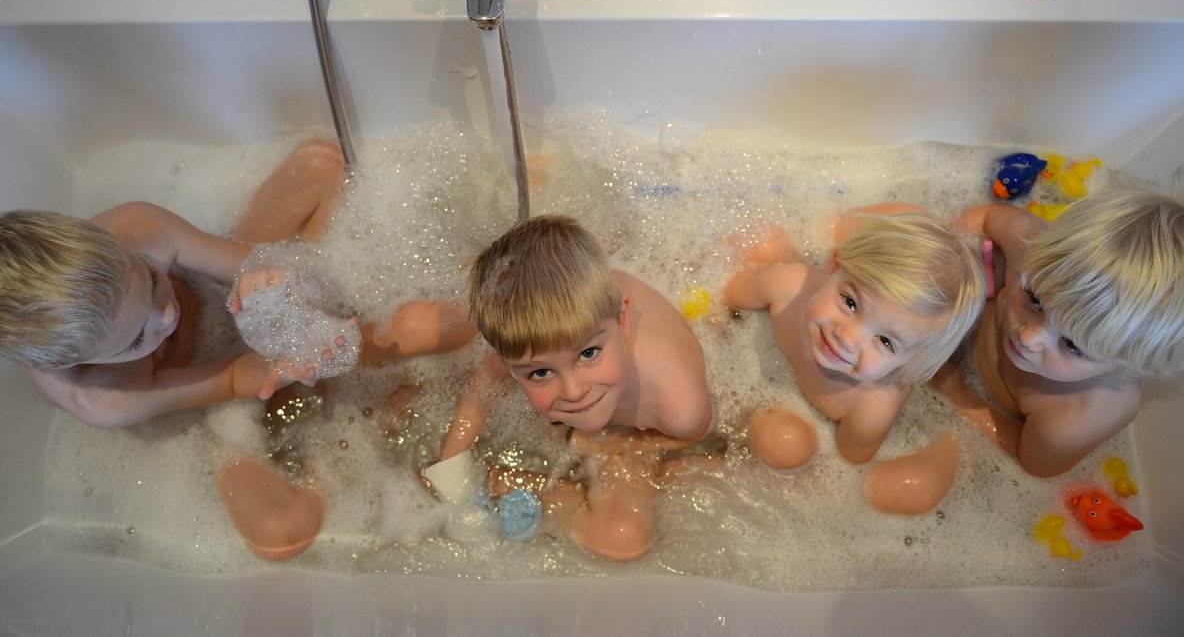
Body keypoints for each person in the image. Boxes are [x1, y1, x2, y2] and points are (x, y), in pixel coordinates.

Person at [0, 138, 476, 429]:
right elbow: (233, 378)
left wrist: (273, 278)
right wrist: (296, 360)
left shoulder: (134, 229)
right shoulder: (106, 400)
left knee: (321, 160)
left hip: (233, 304)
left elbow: (244, 264)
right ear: (63, 363)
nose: (164, 318)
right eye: (136, 340)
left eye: (151, 280)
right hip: (229, 378)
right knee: (438, 326)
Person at [427, 214, 713, 561]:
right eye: (540, 373)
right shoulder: (536, 339)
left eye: (589, 354)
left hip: (635, 433)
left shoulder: (678, 404)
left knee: (622, 538)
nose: (574, 391)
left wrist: (622, 445)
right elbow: (488, 377)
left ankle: (530, 489)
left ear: (623, 321)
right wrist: (450, 459)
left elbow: (693, 435)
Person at [932, 189, 1184, 478]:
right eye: (1035, 299)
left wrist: (959, 393)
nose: (1028, 338)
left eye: (1072, 344)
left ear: (1125, 363)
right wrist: (945, 259)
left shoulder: (1075, 419)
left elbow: (1033, 463)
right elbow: (988, 215)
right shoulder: (1037, 257)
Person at [724, 209, 985, 465]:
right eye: (850, 302)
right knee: (764, 241)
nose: (847, 338)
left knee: (789, 445)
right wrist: (718, 323)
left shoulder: (872, 408)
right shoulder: (789, 285)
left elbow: (850, 459)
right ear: (834, 265)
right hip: (747, 379)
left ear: (909, 362)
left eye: (885, 342)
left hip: (778, 417)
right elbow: (731, 295)